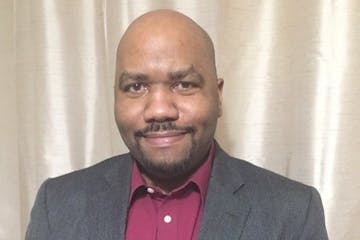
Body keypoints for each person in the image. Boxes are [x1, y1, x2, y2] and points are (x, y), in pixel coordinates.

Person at [25, 9, 328, 240]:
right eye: (136, 87)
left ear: (218, 96)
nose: (159, 110)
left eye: (183, 84)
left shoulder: (293, 214)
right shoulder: (58, 206)